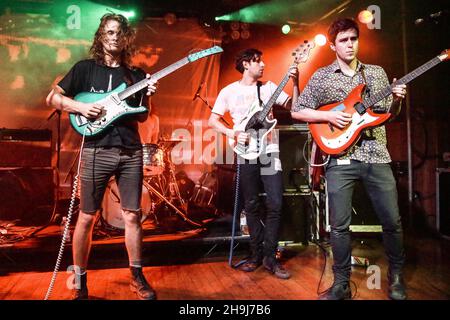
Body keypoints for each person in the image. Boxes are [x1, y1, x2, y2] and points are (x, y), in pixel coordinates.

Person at [291, 18, 407, 300]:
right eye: (343, 40)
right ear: (333, 45)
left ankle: (397, 278)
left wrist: (398, 98)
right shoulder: (321, 76)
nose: (350, 44)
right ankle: (341, 283)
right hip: (340, 156)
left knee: (392, 220)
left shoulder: (376, 73)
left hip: (377, 154)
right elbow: (297, 111)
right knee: (339, 225)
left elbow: (390, 115)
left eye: (353, 38)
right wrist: (328, 115)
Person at [46, 13, 158, 300]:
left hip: (130, 151)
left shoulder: (135, 74)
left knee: (133, 215)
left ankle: (137, 276)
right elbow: (54, 98)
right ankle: (81, 283)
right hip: (96, 150)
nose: (113, 37)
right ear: (100, 36)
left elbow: (144, 117)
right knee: (86, 217)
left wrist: (149, 94)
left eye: (119, 33)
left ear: (126, 38)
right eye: (108, 32)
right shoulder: (85, 69)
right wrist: (80, 108)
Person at [209, 48, 299, 279]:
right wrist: (232, 133)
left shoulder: (269, 88)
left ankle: (271, 257)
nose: (263, 65)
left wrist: (295, 83)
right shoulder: (229, 91)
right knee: (250, 205)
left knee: (276, 203)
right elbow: (213, 120)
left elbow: (294, 107)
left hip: (269, 152)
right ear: (246, 64)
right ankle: (255, 254)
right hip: (245, 152)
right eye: (258, 61)